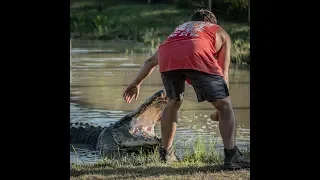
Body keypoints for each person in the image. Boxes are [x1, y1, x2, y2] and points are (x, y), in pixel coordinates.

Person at [122, 9, 250, 169]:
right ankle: (232, 157)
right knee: (225, 106)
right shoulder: (219, 31)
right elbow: (223, 72)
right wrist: (221, 104)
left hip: (168, 56)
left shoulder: (181, 29)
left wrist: (135, 83)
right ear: (213, 23)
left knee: (173, 103)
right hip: (197, 53)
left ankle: (167, 154)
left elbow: (150, 61)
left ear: (193, 21)